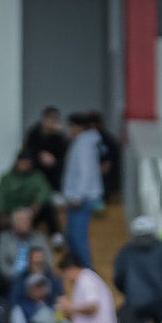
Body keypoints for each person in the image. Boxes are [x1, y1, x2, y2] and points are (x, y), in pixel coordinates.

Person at [62, 114, 105, 269]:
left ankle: (87, 271)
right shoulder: (82, 143)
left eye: (70, 127)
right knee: (71, 236)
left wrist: (78, 195)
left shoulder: (84, 144)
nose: (68, 131)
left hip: (81, 198)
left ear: (78, 127)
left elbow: (85, 172)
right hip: (78, 196)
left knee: (77, 237)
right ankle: (76, 269)